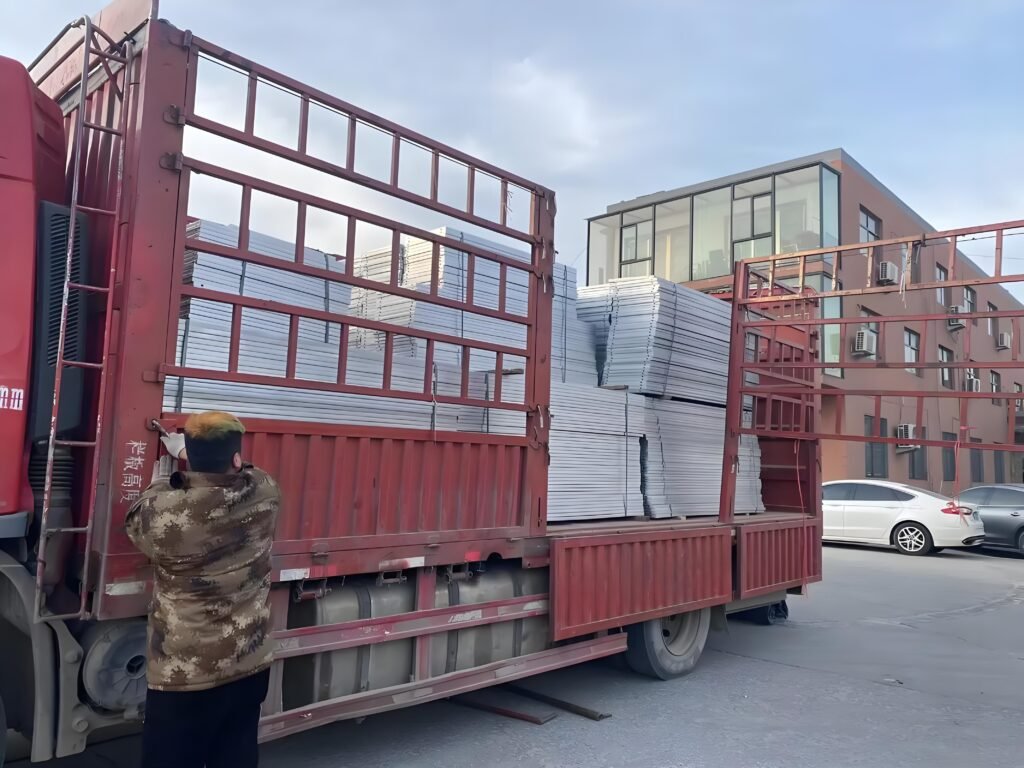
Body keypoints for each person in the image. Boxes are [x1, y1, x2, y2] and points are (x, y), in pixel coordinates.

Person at [126, 411, 280, 768]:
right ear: (236, 458)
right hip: (247, 664)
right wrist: (193, 455)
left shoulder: (163, 515)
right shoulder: (265, 493)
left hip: (183, 676)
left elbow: (136, 515)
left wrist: (165, 475)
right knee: (237, 754)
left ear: (190, 459)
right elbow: (248, 472)